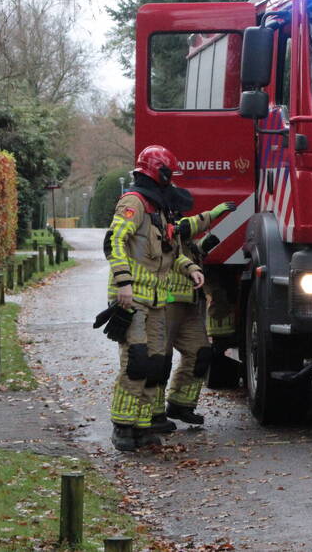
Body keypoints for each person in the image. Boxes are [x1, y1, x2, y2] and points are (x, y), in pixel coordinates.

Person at [103, 145, 204, 451]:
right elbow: (114, 241)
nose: (171, 181)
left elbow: (169, 252)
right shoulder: (134, 202)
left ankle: (144, 426)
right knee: (136, 362)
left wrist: (191, 269)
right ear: (158, 172)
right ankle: (123, 426)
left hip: (157, 300)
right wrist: (123, 283)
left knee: (155, 364)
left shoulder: (157, 208)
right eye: (168, 174)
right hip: (131, 299)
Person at [158, 200, 236, 428]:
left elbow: (187, 254)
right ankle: (153, 415)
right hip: (168, 304)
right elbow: (189, 226)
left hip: (190, 305)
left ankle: (181, 405)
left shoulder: (184, 241)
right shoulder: (168, 229)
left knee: (201, 353)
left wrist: (201, 250)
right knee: (160, 361)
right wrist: (213, 213)